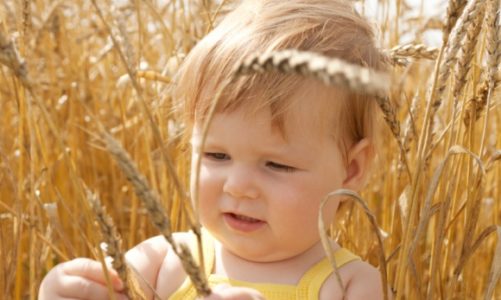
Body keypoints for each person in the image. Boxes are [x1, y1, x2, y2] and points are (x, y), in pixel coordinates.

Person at [39, 0, 389, 299]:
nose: (236, 185)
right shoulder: (163, 261)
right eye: (216, 155)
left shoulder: (351, 284)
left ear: (351, 169)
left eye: (276, 165)